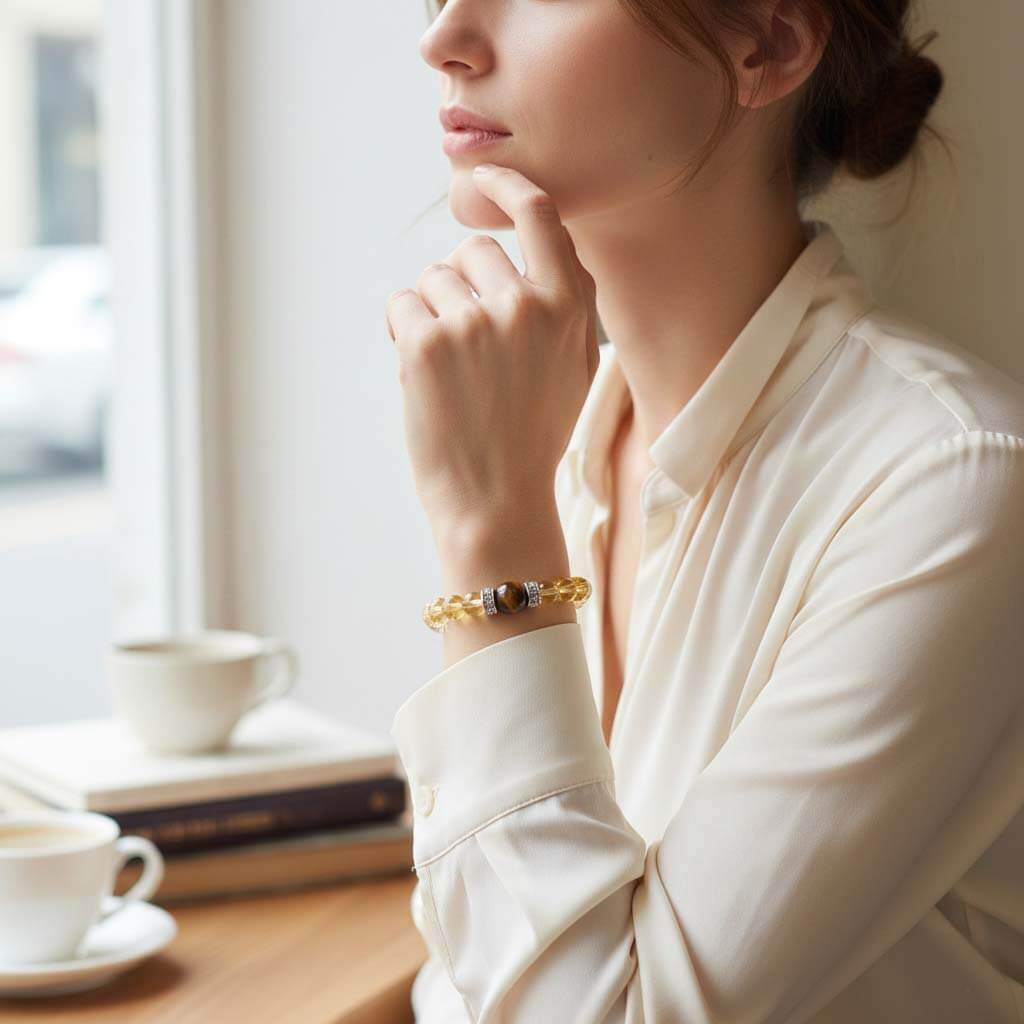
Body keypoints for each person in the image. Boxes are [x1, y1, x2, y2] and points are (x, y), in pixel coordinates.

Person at [386, 1, 1024, 1020]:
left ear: (765, 44)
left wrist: (490, 548)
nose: (444, 39)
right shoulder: (545, 436)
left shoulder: (950, 483)